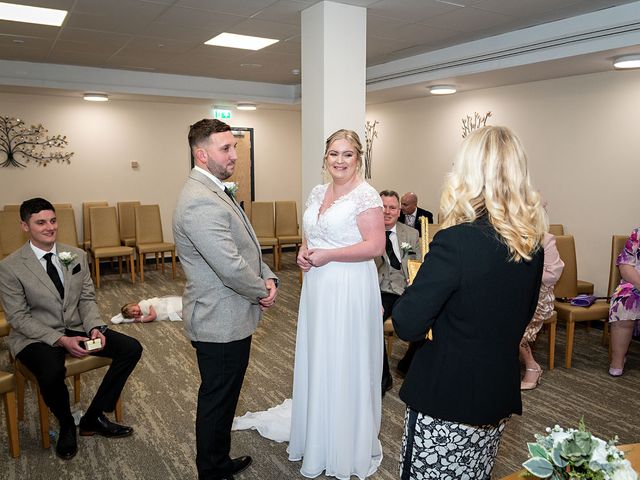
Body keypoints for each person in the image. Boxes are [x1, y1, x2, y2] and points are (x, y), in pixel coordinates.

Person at [392, 126, 546, 479]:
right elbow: (519, 316)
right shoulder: (530, 244)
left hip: (446, 397)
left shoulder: (456, 242)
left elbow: (408, 323)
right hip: (495, 391)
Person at [173, 119, 279, 480]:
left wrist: (268, 274)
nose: (234, 154)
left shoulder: (215, 190)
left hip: (231, 315)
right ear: (202, 154)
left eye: (234, 146)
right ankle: (212, 471)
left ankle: (218, 460)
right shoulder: (198, 201)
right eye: (226, 148)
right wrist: (262, 289)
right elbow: (230, 267)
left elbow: (245, 246)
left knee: (225, 396)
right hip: (218, 320)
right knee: (217, 401)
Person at [0, 198, 142, 461]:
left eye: (53, 221)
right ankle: (66, 424)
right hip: (36, 336)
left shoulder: (75, 255)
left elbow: (86, 298)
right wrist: (60, 340)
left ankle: (92, 417)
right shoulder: (10, 267)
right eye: (40, 222)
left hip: (76, 326)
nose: (49, 227)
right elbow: (18, 317)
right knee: (52, 371)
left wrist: (95, 328)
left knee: (131, 348)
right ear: (24, 226)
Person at [289, 129, 386, 478]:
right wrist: (304, 251)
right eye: (333, 153)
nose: (339, 161)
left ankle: (344, 441)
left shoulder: (366, 196)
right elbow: (311, 233)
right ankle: (318, 430)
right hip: (317, 285)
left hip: (349, 286)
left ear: (358, 158)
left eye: (347, 154)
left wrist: (329, 255)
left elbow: (375, 246)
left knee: (344, 356)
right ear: (325, 157)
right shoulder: (318, 191)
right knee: (320, 354)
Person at [375, 190, 419, 396]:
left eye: (392, 207)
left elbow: (413, 262)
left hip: (405, 289)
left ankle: (407, 363)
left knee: (427, 318)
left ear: (399, 210)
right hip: (379, 291)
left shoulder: (409, 234)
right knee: (372, 322)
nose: (387, 211)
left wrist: (414, 282)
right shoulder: (368, 233)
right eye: (383, 207)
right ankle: (384, 378)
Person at [520, 232, 564, 389]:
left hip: (538, 297)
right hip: (512, 293)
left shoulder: (545, 239)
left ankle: (533, 366)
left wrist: (523, 274)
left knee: (511, 321)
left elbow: (553, 274)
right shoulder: (504, 235)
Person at [608, 227, 640, 377]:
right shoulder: (638, 234)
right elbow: (625, 266)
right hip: (635, 283)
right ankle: (618, 359)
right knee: (624, 301)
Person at [112, 296, 183, 324]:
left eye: (134, 310)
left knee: (180, 308)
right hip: (165, 311)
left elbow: (153, 316)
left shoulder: (143, 305)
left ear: (135, 304)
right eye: (133, 315)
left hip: (165, 307)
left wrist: (141, 320)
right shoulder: (141, 312)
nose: (136, 313)